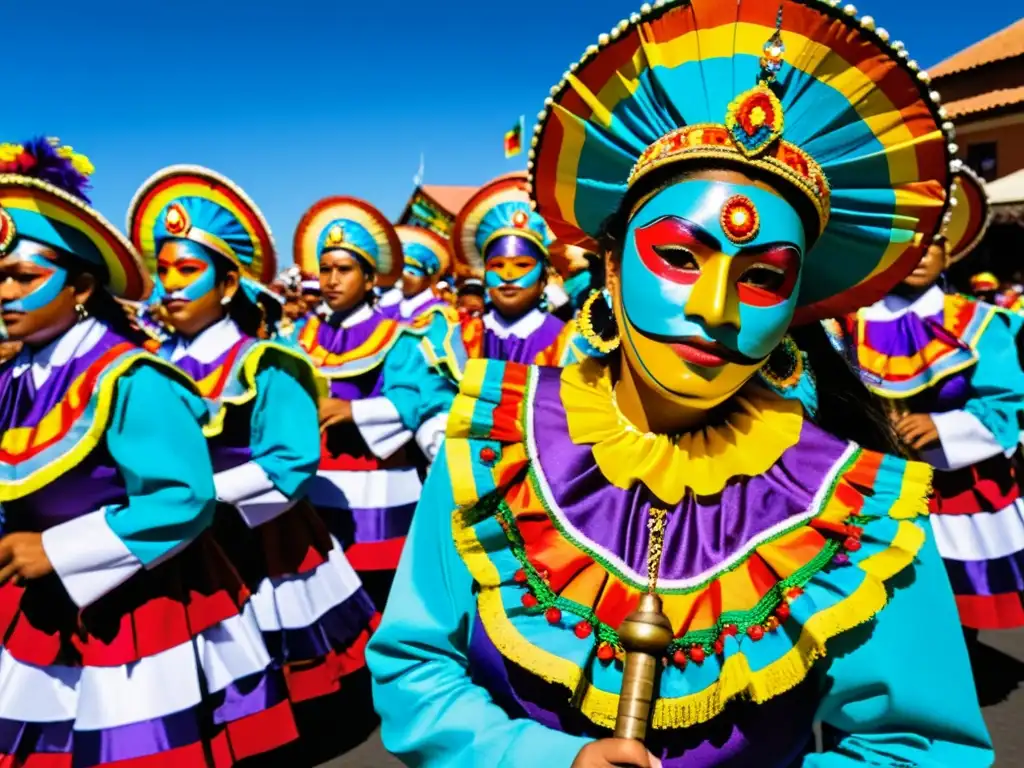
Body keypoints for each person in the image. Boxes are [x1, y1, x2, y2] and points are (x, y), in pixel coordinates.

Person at [366, 2, 993, 766]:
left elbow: (922, 748)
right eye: (679, 258)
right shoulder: (493, 441)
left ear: (795, 304)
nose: (713, 308)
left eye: (762, 277)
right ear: (609, 264)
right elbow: (415, 667)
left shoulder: (860, 507)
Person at [0, 138, 299, 765]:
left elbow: (184, 496)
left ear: (80, 286)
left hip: (137, 599)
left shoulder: (131, 374)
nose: (4, 293)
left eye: (23, 277)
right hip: (37, 597)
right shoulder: (16, 374)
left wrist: (54, 549)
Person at [126, 166, 378, 755]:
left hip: (266, 542)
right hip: (179, 550)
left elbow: (290, 462)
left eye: (188, 270)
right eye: (163, 271)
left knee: (287, 678)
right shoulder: (141, 367)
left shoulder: (267, 362)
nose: (171, 285)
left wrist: (196, 497)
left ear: (229, 283)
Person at [849, 166, 1024, 633]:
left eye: (934, 241)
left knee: (953, 620)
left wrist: (944, 430)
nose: (922, 253)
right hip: (874, 490)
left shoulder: (981, 324)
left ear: (950, 252)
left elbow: (1007, 404)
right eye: (910, 242)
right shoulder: (849, 325)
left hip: (955, 489)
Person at [294, 196, 461, 609]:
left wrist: (354, 411)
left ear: (370, 279)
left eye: (345, 270)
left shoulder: (398, 337)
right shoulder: (299, 336)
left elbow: (421, 400)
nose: (332, 280)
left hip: (379, 492)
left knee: (381, 602)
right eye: (326, 270)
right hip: (315, 492)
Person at [452, 172, 567, 363]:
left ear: (544, 276)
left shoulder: (565, 342)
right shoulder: (460, 337)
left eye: (522, 265)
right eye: (497, 265)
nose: (508, 275)